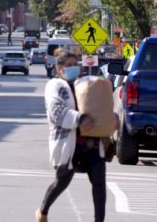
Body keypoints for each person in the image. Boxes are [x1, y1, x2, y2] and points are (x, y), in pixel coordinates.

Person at [37, 52, 110, 222]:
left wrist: (110, 118)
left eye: (75, 64)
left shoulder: (85, 83)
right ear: (59, 68)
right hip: (68, 144)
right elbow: (56, 111)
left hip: (92, 143)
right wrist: (79, 118)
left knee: (99, 184)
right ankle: (43, 211)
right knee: (62, 182)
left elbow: (99, 106)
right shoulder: (55, 86)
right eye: (68, 65)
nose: (73, 68)